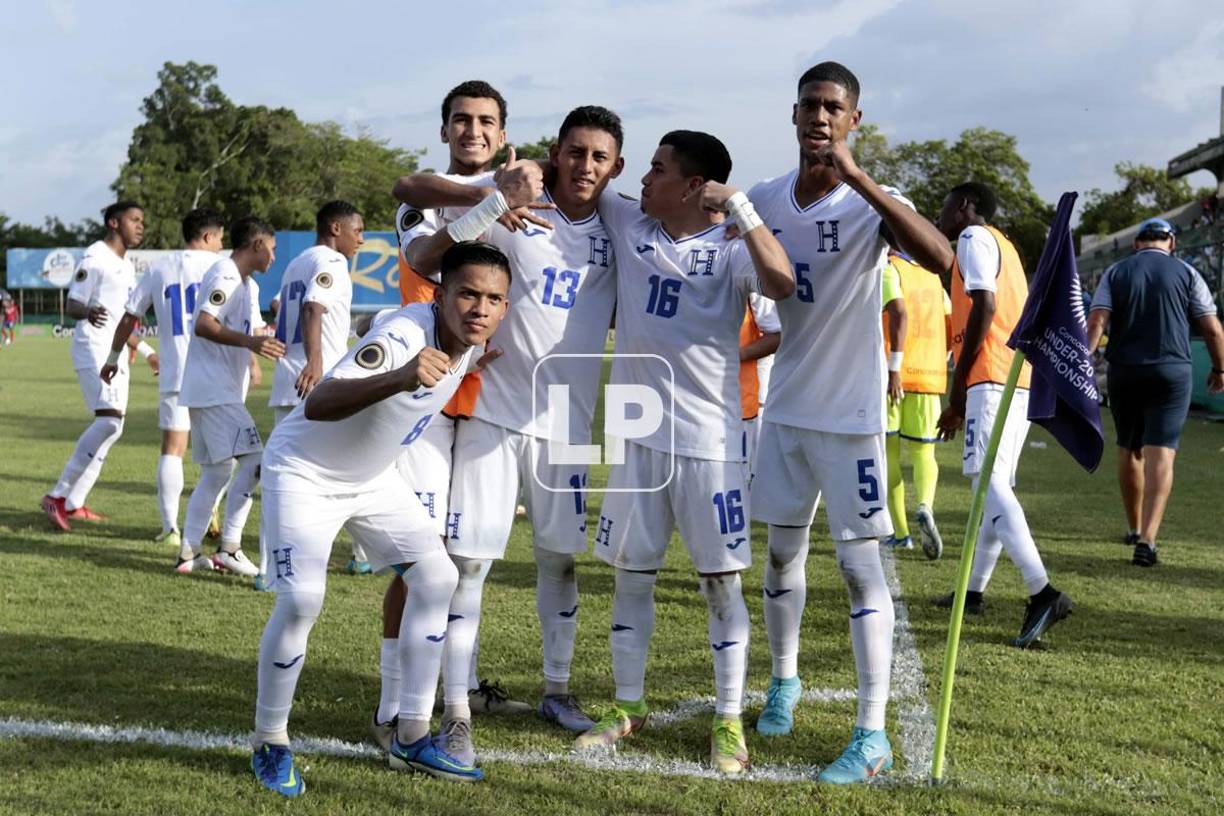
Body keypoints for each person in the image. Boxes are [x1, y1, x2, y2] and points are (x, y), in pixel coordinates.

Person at [746, 62, 955, 784]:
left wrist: (861, 180)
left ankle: (871, 735)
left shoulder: (877, 200)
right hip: (786, 411)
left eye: (834, 108)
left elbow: (941, 258)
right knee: (779, 557)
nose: (820, 118)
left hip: (854, 417)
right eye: (810, 106)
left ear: (854, 120)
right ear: (794, 113)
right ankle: (784, 682)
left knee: (863, 570)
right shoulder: (767, 198)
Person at [398, 106, 625, 762]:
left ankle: (557, 690)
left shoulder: (620, 220)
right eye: (574, 152)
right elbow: (422, 241)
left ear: (616, 167)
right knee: (470, 565)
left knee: (559, 559)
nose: (584, 167)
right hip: (493, 414)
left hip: (570, 425)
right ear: (555, 151)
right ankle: (458, 708)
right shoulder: (516, 206)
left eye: (598, 157)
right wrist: (491, 200)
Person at [250, 241, 511, 796]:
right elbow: (319, 403)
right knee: (301, 600)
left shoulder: (466, 342)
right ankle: (270, 741)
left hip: (371, 480)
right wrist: (399, 376)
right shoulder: (402, 337)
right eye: (466, 293)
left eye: (492, 299)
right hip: (304, 473)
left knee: (438, 577)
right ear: (440, 296)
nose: (479, 308)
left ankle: (412, 735)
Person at [573, 130, 794, 775]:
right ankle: (627, 707)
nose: (643, 179)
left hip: (711, 443)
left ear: (696, 186)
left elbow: (780, 283)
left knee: (720, 584)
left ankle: (728, 720)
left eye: (658, 169)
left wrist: (743, 209)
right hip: (638, 440)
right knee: (629, 577)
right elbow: (581, 185)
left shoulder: (730, 249)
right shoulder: (629, 221)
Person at [371, 80, 538, 737]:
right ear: (445, 130)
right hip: (425, 397)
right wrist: (493, 198)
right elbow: (419, 240)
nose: (473, 130)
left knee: (468, 559)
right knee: (422, 558)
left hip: (490, 396)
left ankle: (457, 688)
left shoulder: (527, 194)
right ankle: (392, 702)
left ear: (502, 133)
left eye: (486, 121)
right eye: (462, 120)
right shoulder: (434, 191)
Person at [934, 181, 1073, 647]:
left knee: (988, 483)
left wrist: (959, 383)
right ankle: (972, 592)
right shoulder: (1006, 246)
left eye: (947, 205)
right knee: (991, 488)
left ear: (966, 207)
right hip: (1015, 376)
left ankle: (1042, 591)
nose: (942, 212)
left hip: (991, 373)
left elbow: (985, 305)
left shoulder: (973, 239)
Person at [1087, 217, 1224, 566]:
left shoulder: (1115, 272)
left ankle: (1133, 527)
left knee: (1130, 449)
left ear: (1137, 243)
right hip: (1172, 371)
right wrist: (1220, 368)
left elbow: (1097, 321)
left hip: (1125, 371)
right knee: (1161, 454)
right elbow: (1212, 330)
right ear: (1172, 243)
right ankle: (1147, 540)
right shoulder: (1187, 274)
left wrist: (1083, 359)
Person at [102, 208, 225, 548]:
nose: (221, 245)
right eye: (220, 238)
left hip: (176, 371)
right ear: (207, 236)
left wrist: (113, 358)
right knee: (222, 453)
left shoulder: (160, 267)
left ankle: (170, 528)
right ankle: (209, 511)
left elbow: (129, 317)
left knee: (173, 449)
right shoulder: (220, 268)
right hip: (215, 372)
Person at [175, 216, 285, 575]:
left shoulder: (248, 286)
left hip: (216, 391)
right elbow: (205, 324)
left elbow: (253, 330)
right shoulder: (224, 273)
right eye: (271, 249)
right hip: (213, 389)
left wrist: (263, 341)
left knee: (216, 473)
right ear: (255, 245)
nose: (273, 257)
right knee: (255, 462)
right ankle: (230, 546)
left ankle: (187, 555)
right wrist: (251, 343)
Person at [263, 201, 365, 578]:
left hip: (287, 381)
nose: (362, 239)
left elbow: (282, 307)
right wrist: (317, 362)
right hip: (317, 384)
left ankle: (268, 567)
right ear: (336, 228)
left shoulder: (297, 262)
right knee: (350, 467)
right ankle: (361, 553)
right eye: (358, 230)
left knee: (282, 476)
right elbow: (312, 309)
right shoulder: (332, 262)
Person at [41, 202, 157, 530]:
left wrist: (148, 351)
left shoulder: (125, 265)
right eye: (134, 220)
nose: (140, 226)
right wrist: (88, 311)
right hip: (92, 348)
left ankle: (74, 503)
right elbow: (73, 302)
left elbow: (121, 320)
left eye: (142, 222)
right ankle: (58, 495)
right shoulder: (95, 256)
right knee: (108, 421)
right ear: (113, 223)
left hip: (114, 353)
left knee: (114, 427)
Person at [882, 251, 951, 559]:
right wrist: (940, 356)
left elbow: (897, 312)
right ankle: (924, 504)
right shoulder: (934, 276)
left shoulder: (889, 269)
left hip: (890, 374)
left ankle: (901, 534)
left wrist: (894, 367)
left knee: (889, 454)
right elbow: (950, 323)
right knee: (925, 453)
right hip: (929, 374)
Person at [740, 292, 781, 471]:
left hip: (739, 405)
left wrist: (731, 356)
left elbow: (776, 333)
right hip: (683, 402)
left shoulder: (745, 269)